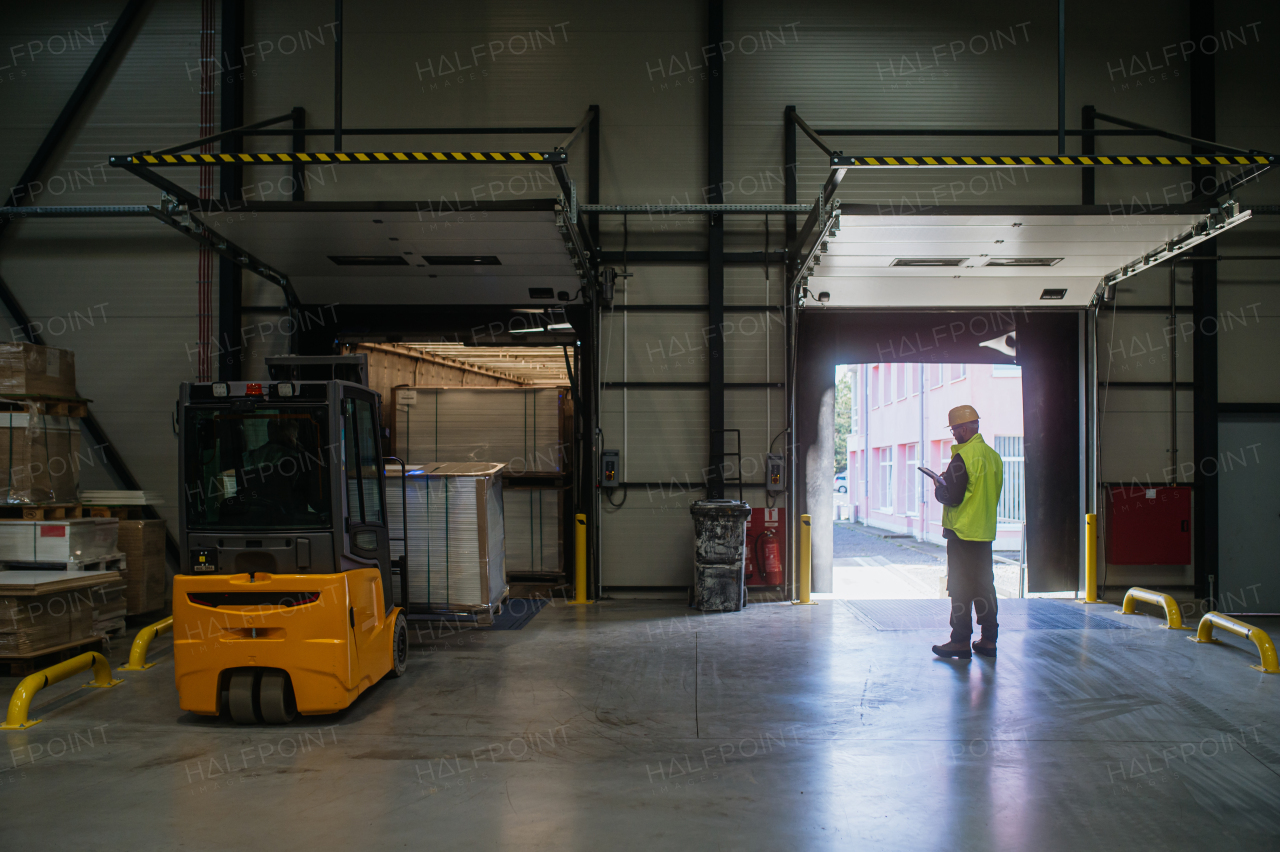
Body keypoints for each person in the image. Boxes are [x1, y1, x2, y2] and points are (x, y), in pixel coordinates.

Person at [930, 405, 1004, 660]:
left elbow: (953, 496)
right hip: (984, 533)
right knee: (985, 586)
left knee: (960, 588)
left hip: (962, 533)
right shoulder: (993, 457)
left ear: (963, 428)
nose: (953, 434)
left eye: (953, 429)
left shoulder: (963, 457)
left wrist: (939, 486)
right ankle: (989, 640)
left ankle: (960, 641)